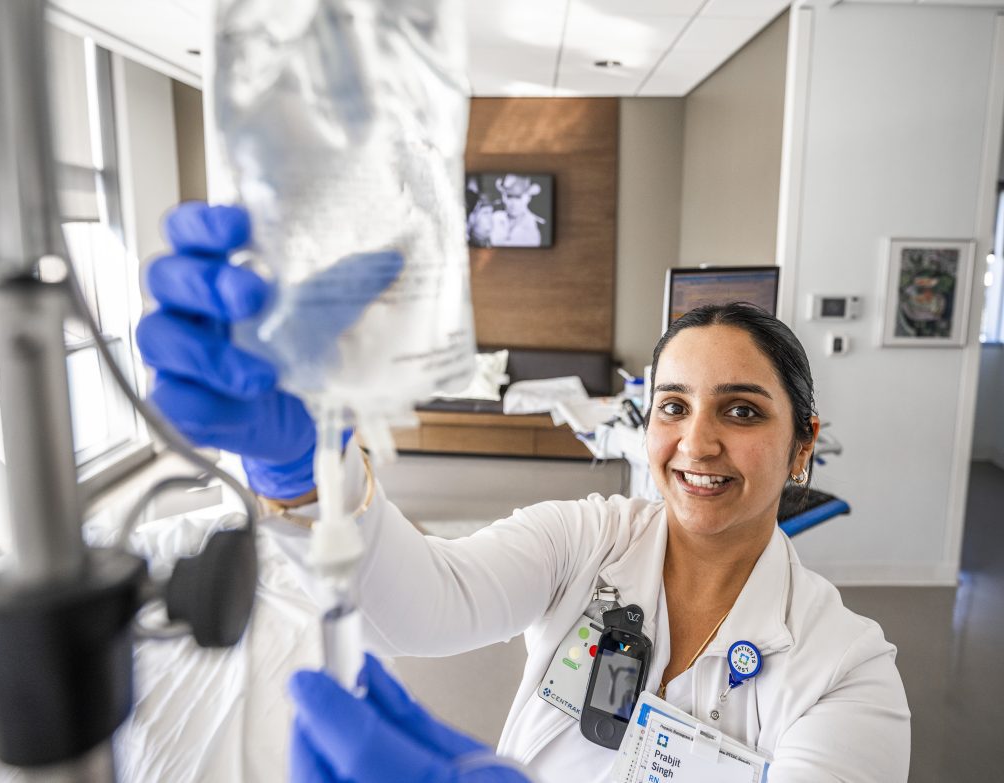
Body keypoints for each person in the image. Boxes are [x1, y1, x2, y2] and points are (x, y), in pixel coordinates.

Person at [137, 202, 910, 782]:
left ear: (803, 442)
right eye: (673, 405)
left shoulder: (846, 672)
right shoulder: (588, 538)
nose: (697, 442)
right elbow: (424, 605)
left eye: (741, 410)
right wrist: (308, 469)